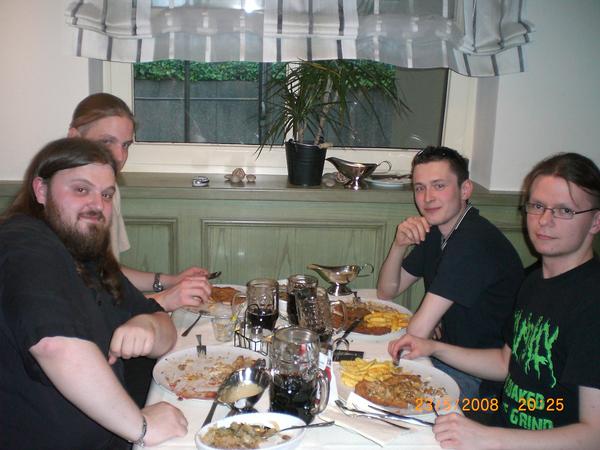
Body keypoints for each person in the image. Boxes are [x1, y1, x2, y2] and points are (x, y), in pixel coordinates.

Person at [389, 152, 600, 449]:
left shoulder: (592, 301)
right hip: (497, 415)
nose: (544, 220)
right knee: (388, 410)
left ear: (595, 221)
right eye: (537, 206)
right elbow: (505, 363)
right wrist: (433, 347)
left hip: (497, 423)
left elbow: (595, 435)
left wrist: (486, 437)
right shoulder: (534, 283)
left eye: (565, 210)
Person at [0, 138, 188, 449]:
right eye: (80, 189)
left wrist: (148, 326)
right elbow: (54, 345)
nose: (97, 205)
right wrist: (141, 427)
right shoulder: (24, 243)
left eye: (106, 195)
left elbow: (164, 329)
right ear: (41, 190)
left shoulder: (87, 255)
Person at [378, 146, 523, 403]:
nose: (427, 198)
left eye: (439, 186)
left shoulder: (473, 241)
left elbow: (417, 331)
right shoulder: (439, 230)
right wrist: (399, 244)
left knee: (378, 388)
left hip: (484, 382)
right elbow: (387, 291)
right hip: (449, 356)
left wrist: (429, 328)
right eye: (420, 188)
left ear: (465, 190)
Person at [67, 92, 212, 312]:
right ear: (74, 137)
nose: (119, 156)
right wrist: (163, 299)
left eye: (126, 145)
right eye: (106, 141)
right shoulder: (61, 203)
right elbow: (86, 304)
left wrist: (170, 281)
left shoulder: (109, 191)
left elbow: (107, 271)